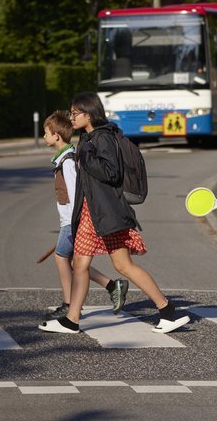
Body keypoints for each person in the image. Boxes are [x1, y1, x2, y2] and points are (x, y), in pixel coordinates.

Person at [39, 92, 190, 334]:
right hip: (94, 212)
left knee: (118, 265)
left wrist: (86, 157)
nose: (72, 117)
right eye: (71, 113)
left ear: (89, 113)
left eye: (75, 113)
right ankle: (73, 319)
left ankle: (166, 311)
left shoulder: (102, 138)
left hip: (104, 213)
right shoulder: (88, 138)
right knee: (87, 264)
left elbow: (111, 173)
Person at [41, 110, 129, 320]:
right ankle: (111, 286)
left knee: (62, 257)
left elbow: (76, 194)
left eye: (46, 133)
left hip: (71, 221)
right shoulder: (63, 159)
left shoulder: (68, 162)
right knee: (74, 262)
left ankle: (70, 304)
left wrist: (74, 223)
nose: (43, 136)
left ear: (56, 136)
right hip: (69, 221)